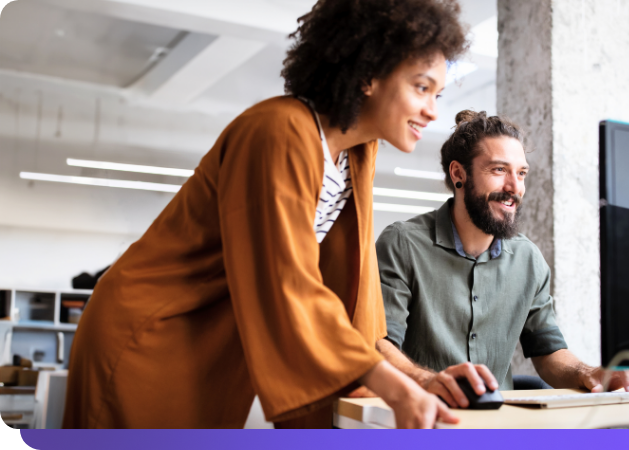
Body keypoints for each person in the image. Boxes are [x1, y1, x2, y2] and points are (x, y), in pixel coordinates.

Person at [62, 0, 468, 429]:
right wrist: (392, 386)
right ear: (369, 74)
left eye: (437, 94)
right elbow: (286, 278)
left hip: (210, 343)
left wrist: (417, 377)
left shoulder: (357, 154)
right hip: (154, 334)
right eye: (421, 88)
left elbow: (347, 295)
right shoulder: (279, 131)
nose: (432, 111)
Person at [372, 110, 629, 409]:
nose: (515, 187)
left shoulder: (528, 259)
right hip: (419, 419)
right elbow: (379, 343)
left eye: (521, 173)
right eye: (499, 170)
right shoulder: (402, 244)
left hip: (500, 423)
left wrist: (589, 373)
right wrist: (427, 382)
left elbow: (548, 353)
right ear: (458, 173)